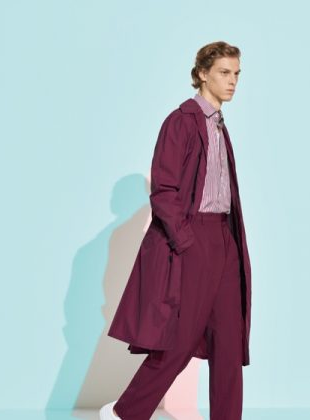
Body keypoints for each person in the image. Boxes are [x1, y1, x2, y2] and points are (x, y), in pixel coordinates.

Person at [101, 40, 252, 420]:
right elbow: (164, 190)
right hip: (194, 238)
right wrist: (187, 241)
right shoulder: (181, 121)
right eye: (224, 72)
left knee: (229, 343)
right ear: (202, 74)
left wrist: (228, 242)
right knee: (179, 341)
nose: (233, 81)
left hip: (224, 238)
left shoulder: (219, 125)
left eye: (236, 74)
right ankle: (124, 414)